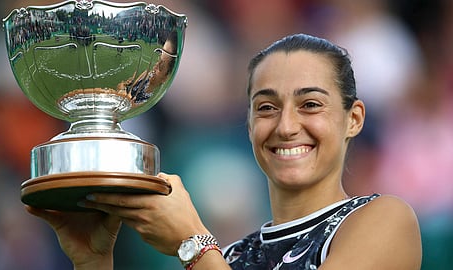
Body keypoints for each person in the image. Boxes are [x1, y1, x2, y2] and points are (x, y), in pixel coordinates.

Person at [26, 33, 422, 269]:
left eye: (311, 104)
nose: (285, 126)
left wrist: (193, 241)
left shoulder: (384, 218)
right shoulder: (229, 257)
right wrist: (94, 263)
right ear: (249, 126)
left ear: (353, 118)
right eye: (266, 108)